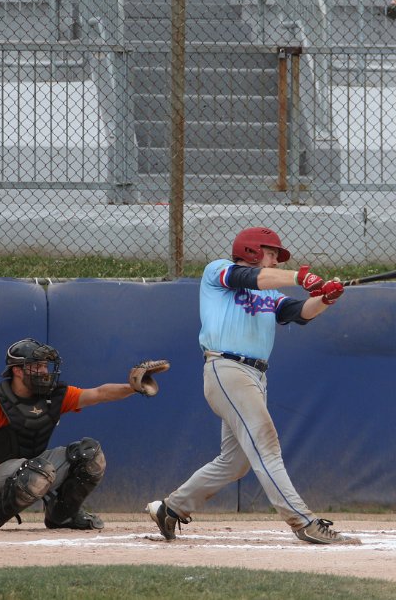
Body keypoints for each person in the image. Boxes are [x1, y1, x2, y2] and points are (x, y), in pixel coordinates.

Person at [146, 227, 361, 545]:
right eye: (271, 254)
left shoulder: (269, 293)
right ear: (251, 251)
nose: (276, 260)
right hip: (227, 368)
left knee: (234, 462)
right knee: (265, 442)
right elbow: (247, 278)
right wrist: (301, 277)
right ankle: (303, 522)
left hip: (256, 377)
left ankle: (171, 508)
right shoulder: (218, 270)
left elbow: (298, 313)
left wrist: (324, 298)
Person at [0, 339, 167, 532]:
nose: (44, 371)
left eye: (45, 365)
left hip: (34, 468)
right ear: (17, 370)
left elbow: (99, 393)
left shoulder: (52, 395)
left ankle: (62, 515)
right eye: (37, 366)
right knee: (37, 469)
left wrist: (133, 388)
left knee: (90, 454)